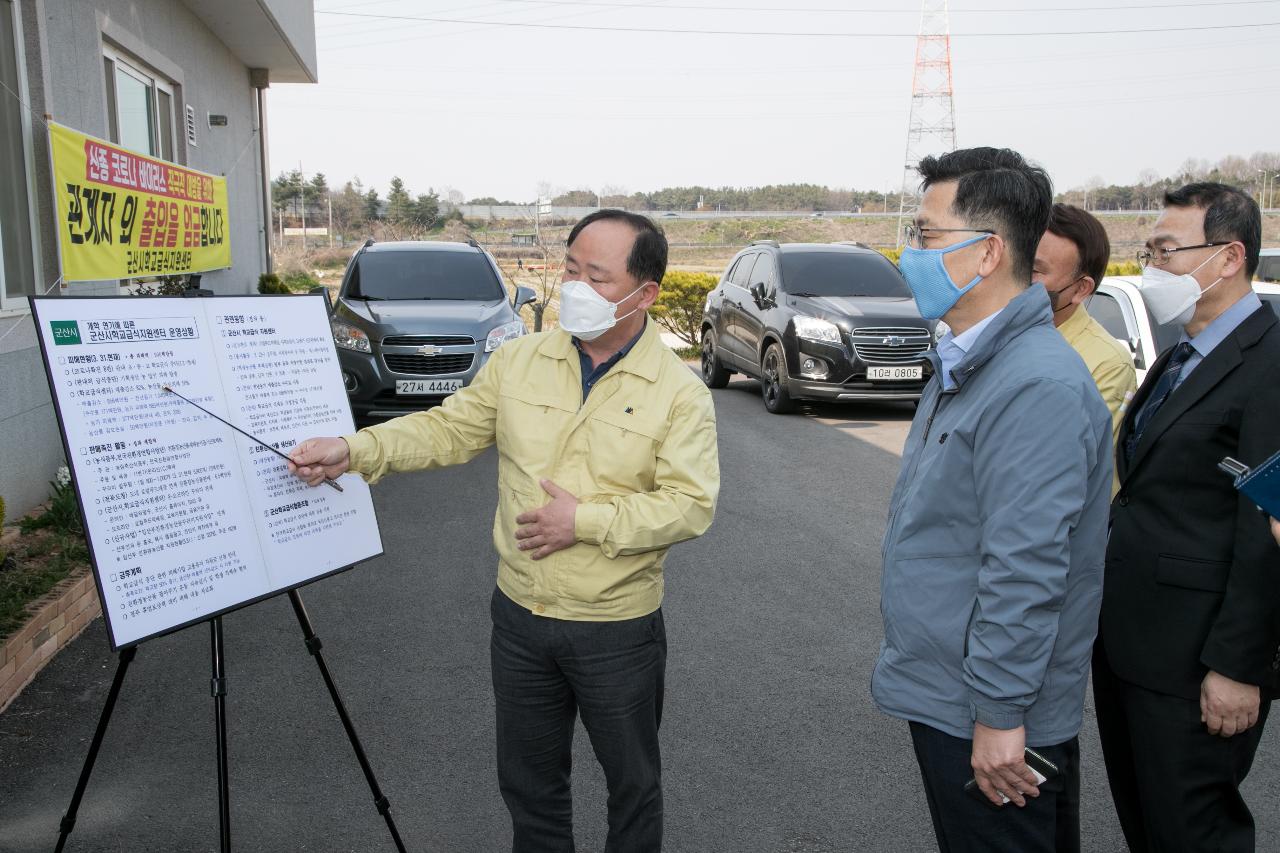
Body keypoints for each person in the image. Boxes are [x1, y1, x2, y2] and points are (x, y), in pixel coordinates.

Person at [288, 209, 720, 852]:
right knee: (530, 786)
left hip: (616, 627)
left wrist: (586, 521)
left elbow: (691, 504)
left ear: (645, 293)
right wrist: (356, 451)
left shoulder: (679, 391)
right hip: (520, 617)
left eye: (596, 277)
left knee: (632, 785)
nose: (574, 285)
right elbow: (447, 429)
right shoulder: (520, 360)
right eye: (570, 268)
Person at [872, 147, 1112, 853]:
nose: (909, 252)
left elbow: (1027, 567)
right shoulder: (971, 357)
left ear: (987, 253)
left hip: (987, 714)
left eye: (924, 234)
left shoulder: (1034, 384)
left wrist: (1002, 715)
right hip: (955, 693)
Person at [1095, 182, 1280, 853]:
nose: (1152, 268)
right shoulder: (1180, 356)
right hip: (1136, 650)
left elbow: (1268, 531)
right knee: (1151, 829)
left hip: (1199, 666)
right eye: (1149, 251)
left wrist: (1239, 665)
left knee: (1195, 835)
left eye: (1167, 251)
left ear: (1229, 258)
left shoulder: (1270, 364)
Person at [1033, 203, 1137, 494]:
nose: (1019, 279)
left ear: (1080, 289)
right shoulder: (997, 337)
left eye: (1035, 270)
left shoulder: (1107, 363)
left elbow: (1063, 468)